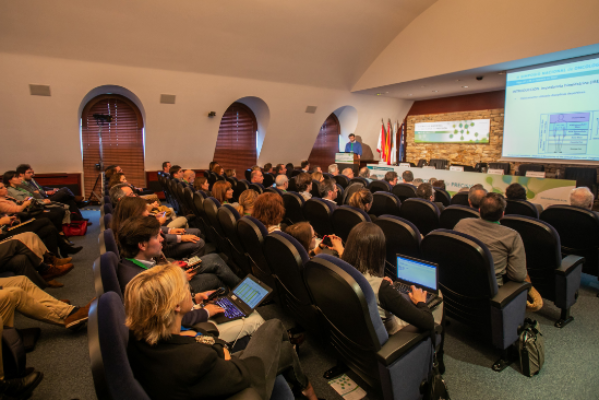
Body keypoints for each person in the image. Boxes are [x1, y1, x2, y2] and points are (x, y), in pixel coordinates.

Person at [125, 263, 318, 400]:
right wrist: (217, 347)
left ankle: (307, 390)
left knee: (285, 350)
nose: (190, 290)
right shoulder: (196, 360)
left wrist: (192, 336)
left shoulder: (138, 339)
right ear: (175, 304)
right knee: (274, 325)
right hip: (241, 385)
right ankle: (308, 390)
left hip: (210, 381)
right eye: (186, 287)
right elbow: (239, 373)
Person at [341, 222, 436, 335]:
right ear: (378, 252)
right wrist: (420, 302)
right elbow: (428, 322)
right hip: (389, 342)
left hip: (355, 334)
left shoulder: (340, 270)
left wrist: (379, 282)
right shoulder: (383, 289)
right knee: (437, 306)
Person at [454, 192, 527, 286]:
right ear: (502, 214)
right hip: (490, 293)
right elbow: (518, 276)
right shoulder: (512, 236)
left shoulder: (462, 224)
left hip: (457, 283)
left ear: (479, 210)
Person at [112, 197, 203, 260]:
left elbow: (156, 233)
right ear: (134, 212)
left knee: (196, 232)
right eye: (144, 210)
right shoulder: (133, 229)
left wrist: (170, 231)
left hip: (158, 248)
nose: (147, 213)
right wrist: (179, 237)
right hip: (158, 250)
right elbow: (156, 238)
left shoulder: (133, 223)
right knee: (198, 243)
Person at [4, 171, 69, 230]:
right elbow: (24, 203)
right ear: (10, 180)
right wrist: (42, 201)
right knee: (58, 211)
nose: (20, 178)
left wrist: (41, 200)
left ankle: (71, 227)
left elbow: (32, 197)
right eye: (17, 177)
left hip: (37, 204)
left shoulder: (20, 188)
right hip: (30, 210)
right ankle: (60, 233)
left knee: (64, 203)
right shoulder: (10, 191)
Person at [17, 164, 85, 218]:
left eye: (31, 172)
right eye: (29, 173)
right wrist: (45, 192)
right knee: (64, 190)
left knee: (68, 199)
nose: (31, 174)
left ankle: (79, 220)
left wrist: (52, 189)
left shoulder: (30, 180)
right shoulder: (21, 184)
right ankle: (78, 202)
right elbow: (33, 193)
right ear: (21, 174)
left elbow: (41, 188)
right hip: (42, 201)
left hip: (44, 197)